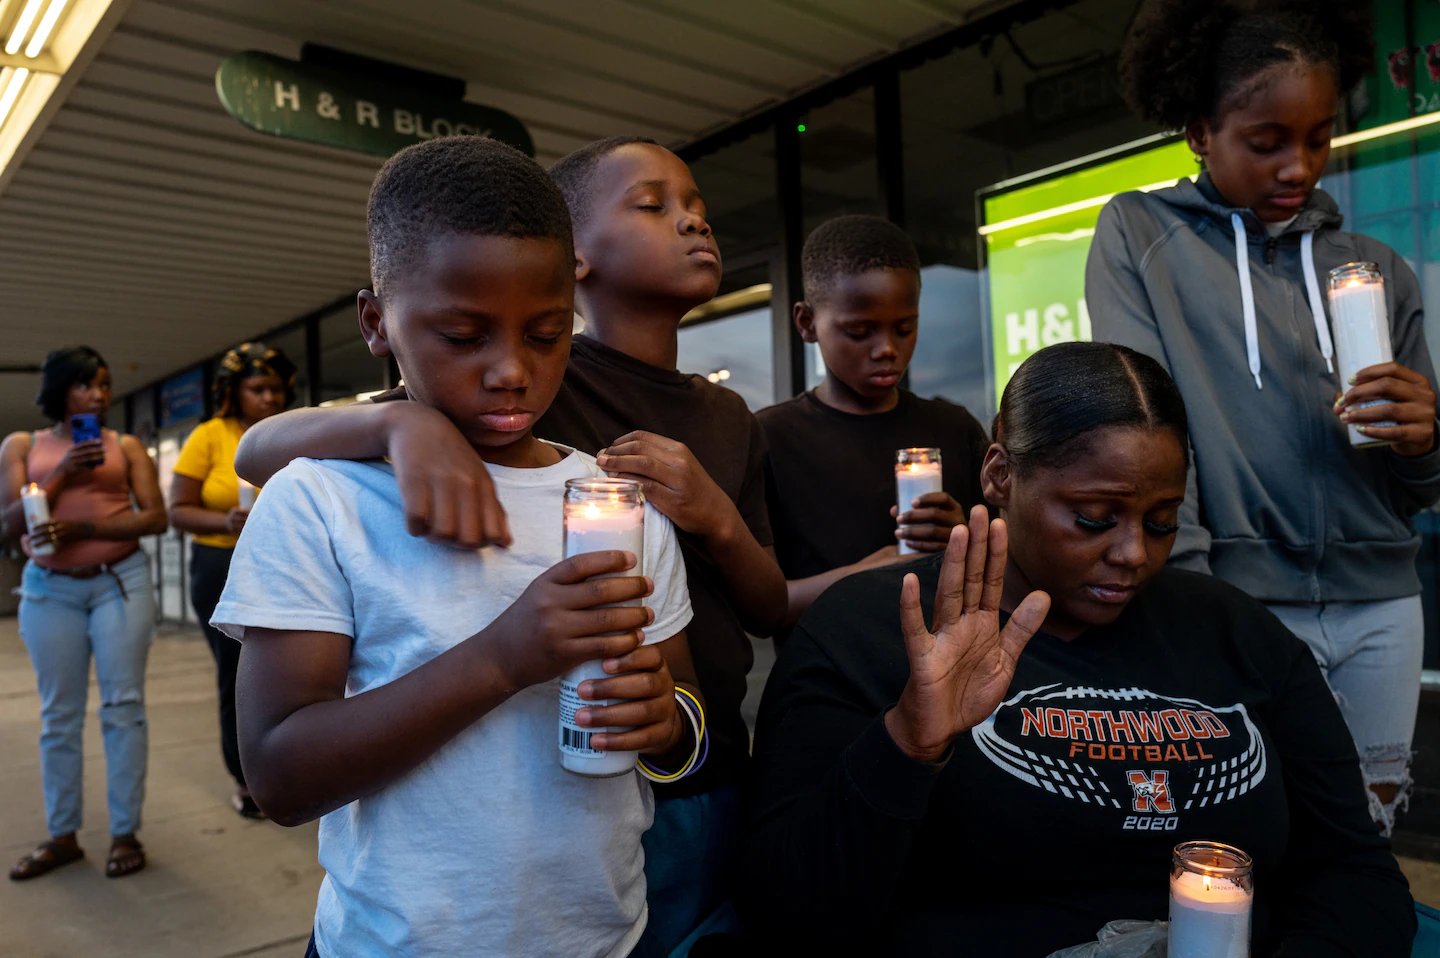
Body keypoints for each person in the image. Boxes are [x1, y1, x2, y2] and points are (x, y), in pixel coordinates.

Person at [236, 135, 787, 955]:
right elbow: (279, 776)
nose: (511, 372)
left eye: (545, 334)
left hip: (606, 935)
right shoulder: (322, 501)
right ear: (376, 321)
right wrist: (505, 658)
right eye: (464, 336)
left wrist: (664, 727)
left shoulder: (612, 504)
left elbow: (685, 714)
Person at [735, 342, 1415, 957]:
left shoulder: (1234, 631)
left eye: (1161, 523)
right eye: (1094, 518)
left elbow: (1351, 870)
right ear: (1000, 476)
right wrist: (906, 745)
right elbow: (786, 909)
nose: (1132, 555)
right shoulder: (872, 629)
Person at [1087, 0, 1439, 834]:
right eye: (1267, 141)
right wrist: (1192, 600)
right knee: (1248, 839)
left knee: (1366, 836)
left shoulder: (1375, 268)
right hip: (1240, 599)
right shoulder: (1141, 235)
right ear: (1201, 130)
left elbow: (1421, 485)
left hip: (1384, 600)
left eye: (1317, 138)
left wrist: (1427, 440)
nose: (1300, 167)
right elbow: (1151, 431)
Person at [758, 214, 989, 626]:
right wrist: (875, 572)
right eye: (860, 331)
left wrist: (961, 540)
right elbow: (761, 609)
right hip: (825, 679)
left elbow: (1001, 571)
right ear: (807, 323)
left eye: (905, 328)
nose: (887, 349)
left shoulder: (954, 428)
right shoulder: (770, 439)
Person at [0, 346, 166, 881]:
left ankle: (125, 833)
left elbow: (156, 519)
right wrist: (63, 474)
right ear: (60, 390)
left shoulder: (127, 445)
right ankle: (63, 836)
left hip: (119, 582)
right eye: (85, 384)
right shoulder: (22, 445)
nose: (97, 394)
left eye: (104, 384)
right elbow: (9, 523)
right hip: (50, 590)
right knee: (59, 716)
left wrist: (85, 530)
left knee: (124, 706)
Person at [168, 342, 295, 819]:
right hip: (221, 564)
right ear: (233, 391)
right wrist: (225, 522)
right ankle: (246, 777)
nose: (270, 398)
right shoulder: (209, 435)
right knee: (238, 673)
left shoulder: (289, 432)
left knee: (293, 670)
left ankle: (292, 762)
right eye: (258, 389)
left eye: (277, 389)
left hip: (283, 560)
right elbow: (177, 511)